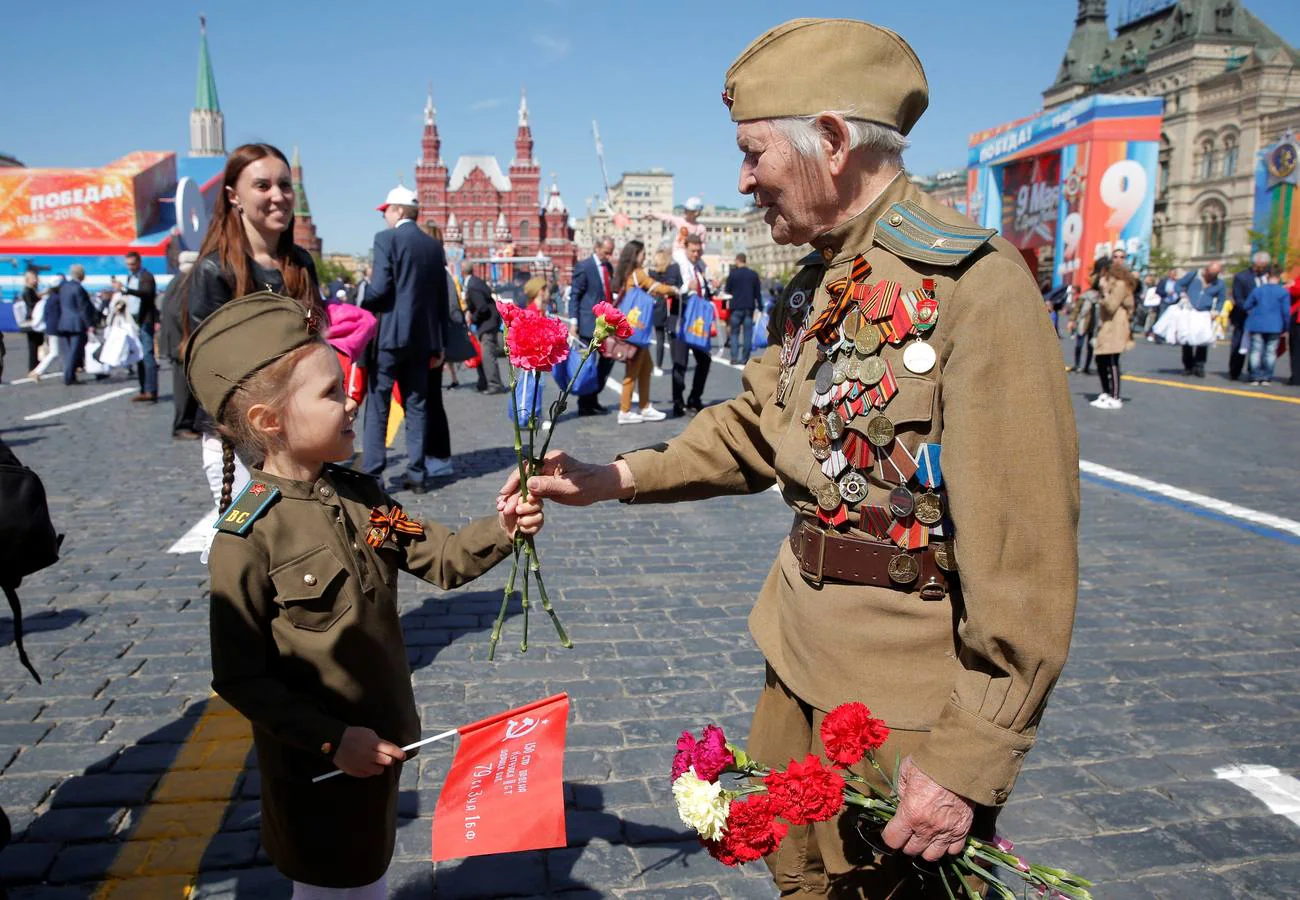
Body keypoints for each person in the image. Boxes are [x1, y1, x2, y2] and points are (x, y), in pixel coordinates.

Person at [510, 18, 1078, 898]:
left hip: (898, 711)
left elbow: (1027, 561)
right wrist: (611, 477)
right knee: (800, 881)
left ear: (835, 141)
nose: (742, 180)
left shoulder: (975, 288)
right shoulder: (818, 282)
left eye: (754, 153)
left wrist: (969, 760)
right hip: (796, 663)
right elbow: (756, 425)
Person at [186, 291, 543, 900]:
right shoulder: (248, 539)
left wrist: (504, 528)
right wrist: (330, 738)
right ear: (268, 423)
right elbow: (242, 678)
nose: (353, 398)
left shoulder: (363, 499)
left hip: (381, 744)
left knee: (367, 878)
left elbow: (439, 555)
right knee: (331, 884)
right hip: (316, 768)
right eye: (330, 392)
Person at [185, 142, 324, 509]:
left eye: (285, 185)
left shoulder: (300, 264)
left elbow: (315, 339)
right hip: (240, 439)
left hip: (298, 430)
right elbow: (208, 371)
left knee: (302, 546)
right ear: (235, 196)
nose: (278, 196)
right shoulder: (215, 269)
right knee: (249, 545)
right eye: (263, 186)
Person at [360, 185, 450, 489]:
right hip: (423, 340)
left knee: (379, 405)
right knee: (417, 405)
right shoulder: (433, 246)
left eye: (386, 211)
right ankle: (416, 472)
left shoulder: (385, 239)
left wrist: (361, 302)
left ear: (397, 210)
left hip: (389, 337)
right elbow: (440, 299)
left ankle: (374, 474)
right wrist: (439, 344)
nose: (384, 216)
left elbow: (380, 288)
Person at [610, 240, 675, 424]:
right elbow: (657, 287)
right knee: (633, 370)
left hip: (632, 328)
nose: (645, 256)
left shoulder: (626, 274)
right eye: (643, 253)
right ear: (636, 255)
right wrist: (675, 290)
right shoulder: (638, 274)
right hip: (636, 331)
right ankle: (625, 410)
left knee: (646, 367)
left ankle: (645, 406)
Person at [568, 237, 617, 415]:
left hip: (606, 325)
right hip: (588, 324)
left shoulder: (608, 268)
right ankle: (585, 403)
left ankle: (593, 397)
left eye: (611, 252)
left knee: (608, 360)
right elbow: (575, 295)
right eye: (606, 252)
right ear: (596, 248)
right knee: (588, 366)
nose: (609, 256)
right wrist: (573, 323)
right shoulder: (584, 266)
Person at [159, 252, 202, 439]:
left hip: (179, 341)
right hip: (182, 342)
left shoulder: (178, 280)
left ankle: (189, 423)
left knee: (186, 384)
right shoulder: (186, 282)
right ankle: (182, 426)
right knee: (183, 387)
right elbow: (179, 313)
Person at [669, 233, 713, 417]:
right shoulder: (676, 266)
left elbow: (705, 293)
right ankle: (678, 403)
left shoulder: (700, 268)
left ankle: (695, 398)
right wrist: (688, 287)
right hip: (680, 322)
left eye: (699, 251)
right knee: (680, 363)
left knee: (704, 360)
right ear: (685, 248)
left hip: (697, 324)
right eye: (693, 250)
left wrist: (712, 287)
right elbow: (669, 289)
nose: (696, 254)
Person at [1090, 259, 1137, 409]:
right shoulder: (1111, 284)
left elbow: (1111, 306)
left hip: (1116, 325)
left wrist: (1104, 292)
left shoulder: (1120, 285)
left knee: (1112, 360)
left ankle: (1115, 396)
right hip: (1108, 325)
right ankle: (1106, 392)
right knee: (1100, 359)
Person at [117, 251, 158, 402]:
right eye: (128, 265)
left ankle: (151, 390)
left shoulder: (146, 276)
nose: (131, 267)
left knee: (147, 355)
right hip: (133, 321)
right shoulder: (130, 277)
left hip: (145, 320)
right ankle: (143, 388)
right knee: (139, 355)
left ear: (139, 262)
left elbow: (146, 293)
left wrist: (127, 290)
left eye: (133, 264)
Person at [1174, 262, 1226, 377]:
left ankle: (1199, 366)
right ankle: (1188, 366)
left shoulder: (1220, 283)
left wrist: (1216, 311)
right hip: (1190, 310)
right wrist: (1182, 294)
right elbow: (1178, 285)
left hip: (1204, 313)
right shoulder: (1193, 276)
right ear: (1206, 270)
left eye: (1215, 275)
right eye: (1211, 274)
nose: (1212, 277)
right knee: (1187, 339)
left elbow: (1222, 299)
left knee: (1202, 340)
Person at [1243, 265, 1291, 385]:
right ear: (1279, 277)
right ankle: (1266, 377)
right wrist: (1286, 327)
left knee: (1255, 351)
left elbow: (1246, 305)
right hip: (1275, 325)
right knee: (1270, 351)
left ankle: (1254, 376)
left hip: (1257, 323)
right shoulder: (1283, 292)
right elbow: (1286, 312)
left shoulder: (1258, 290)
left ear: (1267, 276)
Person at [51, 265, 95, 386]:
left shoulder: (63, 287)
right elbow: (83, 309)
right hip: (76, 323)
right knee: (74, 352)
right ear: (81, 275)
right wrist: (90, 324)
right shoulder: (79, 288)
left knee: (67, 351)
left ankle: (70, 375)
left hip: (63, 322)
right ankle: (68, 377)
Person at [1229, 252, 1271, 381]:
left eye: (1264, 267)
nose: (1261, 269)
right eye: (1259, 266)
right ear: (1253, 264)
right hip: (1243, 316)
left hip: (1262, 318)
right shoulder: (1242, 277)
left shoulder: (1269, 277)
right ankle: (1235, 371)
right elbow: (1238, 297)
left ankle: (1253, 371)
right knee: (1239, 343)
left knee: (1258, 346)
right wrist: (1249, 309)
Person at [464, 265, 505, 394]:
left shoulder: (472, 286)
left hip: (486, 324)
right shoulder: (476, 281)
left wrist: (473, 317)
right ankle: (483, 382)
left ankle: (494, 384)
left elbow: (482, 307)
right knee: (482, 354)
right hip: (490, 322)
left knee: (487, 354)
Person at [723, 252, 762, 363]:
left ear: (737, 260)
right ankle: (745, 358)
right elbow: (757, 293)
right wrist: (760, 306)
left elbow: (727, 292)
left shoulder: (733, 274)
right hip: (749, 307)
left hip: (735, 307)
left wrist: (724, 306)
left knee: (734, 333)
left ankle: (734, 358)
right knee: (747, 333)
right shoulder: (753, 274)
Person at [647, 247, 681, 375]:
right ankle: (675, 365)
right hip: (671, 306)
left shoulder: (652, 273)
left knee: (660, 337)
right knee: (672, 337)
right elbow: (679, 284)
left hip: (657, 306)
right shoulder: (673, 269)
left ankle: (658, 366)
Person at [1065, 272, 1099, 375]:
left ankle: (1086, 367)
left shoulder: (1101, 296)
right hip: (1083, 323)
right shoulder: (1085, 296)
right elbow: (1076, 309)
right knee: (1079, 345)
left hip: (1095, 325)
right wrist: (1072, 320)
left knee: (1090, 347)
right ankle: (1077, 364)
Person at [17, 271, 44, 375]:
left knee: (39, 344)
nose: (36, 280)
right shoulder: (27, 291)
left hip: (36, 319)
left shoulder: (34, 290)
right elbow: (31, 304)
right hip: (31, 319)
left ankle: (38, 365)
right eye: (34, 278)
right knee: (33, 345)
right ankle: (33, 367)